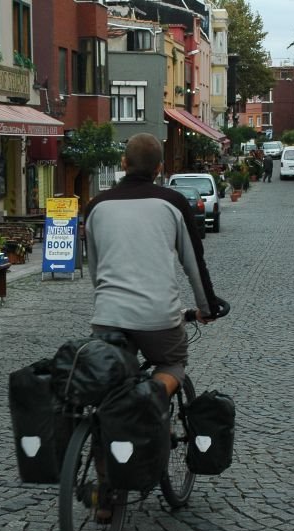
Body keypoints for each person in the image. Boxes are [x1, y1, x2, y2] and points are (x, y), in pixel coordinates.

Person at [84, 133, 221, 399]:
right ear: (159, 168)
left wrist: (107, 301)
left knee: (110, 374)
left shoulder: (96, 206)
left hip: (108, 315)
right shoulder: (173, 203)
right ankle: (149, 401)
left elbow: (96, 269)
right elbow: (194, 263)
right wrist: (208, 308)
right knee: (172, 363)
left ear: (124, 163)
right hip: (158, 317)